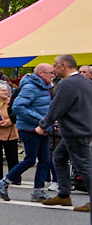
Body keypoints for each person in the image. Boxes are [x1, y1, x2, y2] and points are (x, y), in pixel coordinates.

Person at [38, 54, 92, 215]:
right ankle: (63, 194)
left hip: (75, 131)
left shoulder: (66, 84)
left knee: (84, 166)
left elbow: (57, 107)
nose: (53, 69)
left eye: (55, 65)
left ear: (63, 66)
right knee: (59, 157)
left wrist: (43, 125)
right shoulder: (86, 82)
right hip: (82, 128)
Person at [0, 63, 55, 202]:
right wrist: (41, 120)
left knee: (45, 160)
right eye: (50, 72)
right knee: (29, 160)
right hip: (30, 129)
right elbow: (18, 107)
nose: (53, 75)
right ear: (41, 73)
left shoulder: (43, 87)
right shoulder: (30, 87)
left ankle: (38, 191)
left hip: (41, 129)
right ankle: (3, 183)